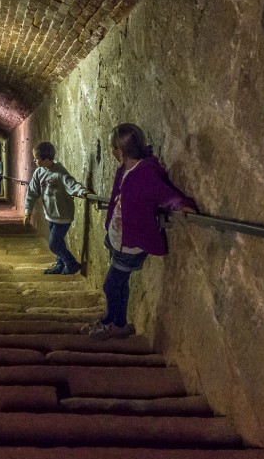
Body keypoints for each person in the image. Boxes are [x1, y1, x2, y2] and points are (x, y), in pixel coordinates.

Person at [85, 123, 197, 340]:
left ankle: (110, 322)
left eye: (112, 149)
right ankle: (118, 323)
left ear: (119, 151)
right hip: (118, 238)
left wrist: (181, 204)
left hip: (131, 243)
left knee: (110, 284)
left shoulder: (145, 173)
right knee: (120, 283)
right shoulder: (125, 170)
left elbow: (165, 193)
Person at [23, 142, 90, 275]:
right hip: (50, 215)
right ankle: (60, 265)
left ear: (46, 159)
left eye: (36, 158)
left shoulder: (59, 172)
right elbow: (32, 192)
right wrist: (27, 212)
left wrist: (82, 191)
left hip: (63, 216)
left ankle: (71, 263)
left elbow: (71, 183)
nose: (34, 161)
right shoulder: (39, 172)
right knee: (59, 242)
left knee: (54, 245)